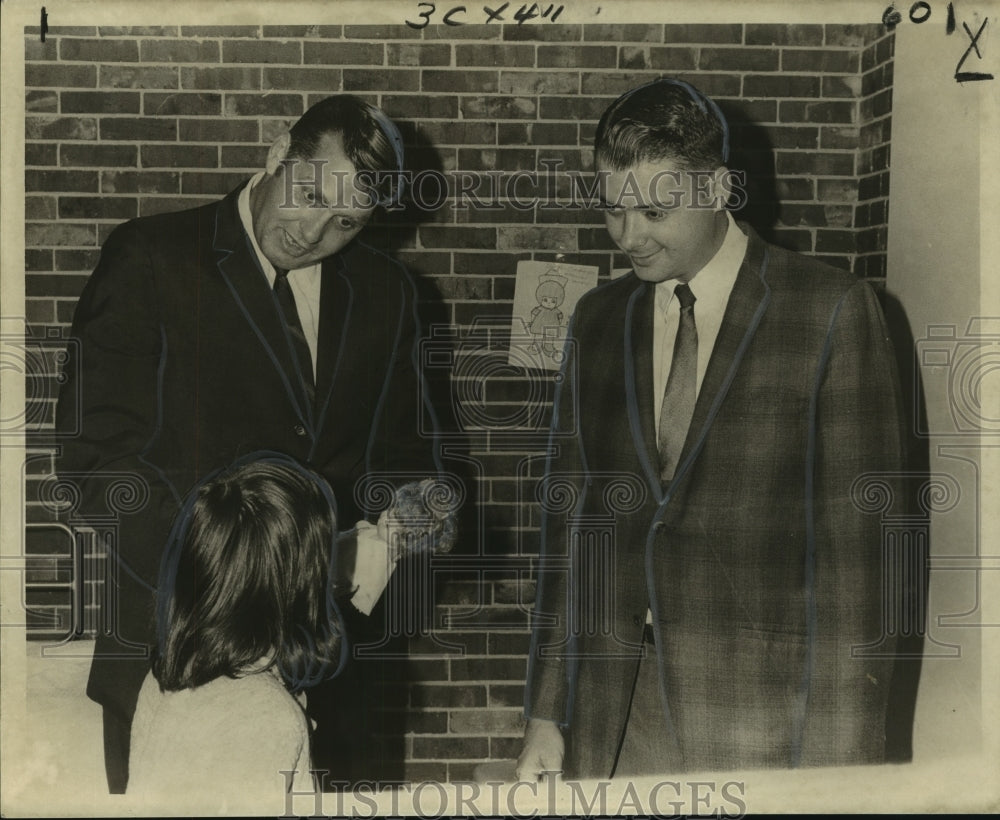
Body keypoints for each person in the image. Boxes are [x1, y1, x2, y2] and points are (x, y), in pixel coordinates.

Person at [517, 78, 908, 780]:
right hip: (613, 713)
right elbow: (572, 527)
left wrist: (842, 780)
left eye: (654, 211)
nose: (628, 237)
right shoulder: (598, 320)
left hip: (767, 722)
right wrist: (547, 716)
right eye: (612, 210)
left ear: (718, 189)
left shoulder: (834, 312)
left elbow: (861, 578)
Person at [55, 94, 440, 792]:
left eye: (347, 221)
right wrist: (233, 583)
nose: (314, 230)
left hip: (337, 668)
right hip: (178, 653)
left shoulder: (390, 293)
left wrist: (423, 507)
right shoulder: (152, 257)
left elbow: (407, 456)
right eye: (310, 193)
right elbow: (97, 459)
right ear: (275, 153)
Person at [127, 454, 450, 806]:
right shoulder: (266, 715)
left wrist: (385, 546)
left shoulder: (166, 677)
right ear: (299, 585)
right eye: (320, 561)